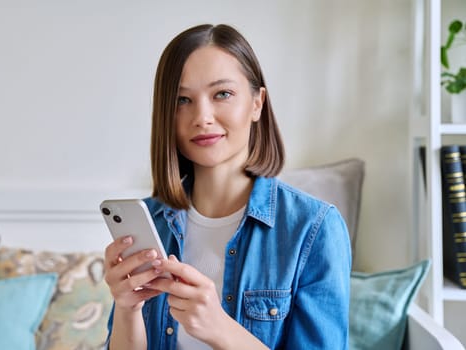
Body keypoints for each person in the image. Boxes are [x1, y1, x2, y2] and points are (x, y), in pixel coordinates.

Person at [103, 23, 351, 350]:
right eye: (182, 100)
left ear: (257, 103)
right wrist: (127, 308)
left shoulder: (313, 229)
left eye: (222, 94)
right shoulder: (152, 222)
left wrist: (220, 329)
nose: (202, 117)